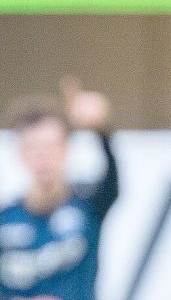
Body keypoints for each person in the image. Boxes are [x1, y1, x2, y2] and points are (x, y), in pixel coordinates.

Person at [0, 77, 119, 300]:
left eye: (50, 146)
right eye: (34, 147)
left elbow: (112, 183)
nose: (43, 156)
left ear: (66, 148)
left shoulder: (88, 207)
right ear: (21, 152)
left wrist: (102, 131)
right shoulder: (5, 219)